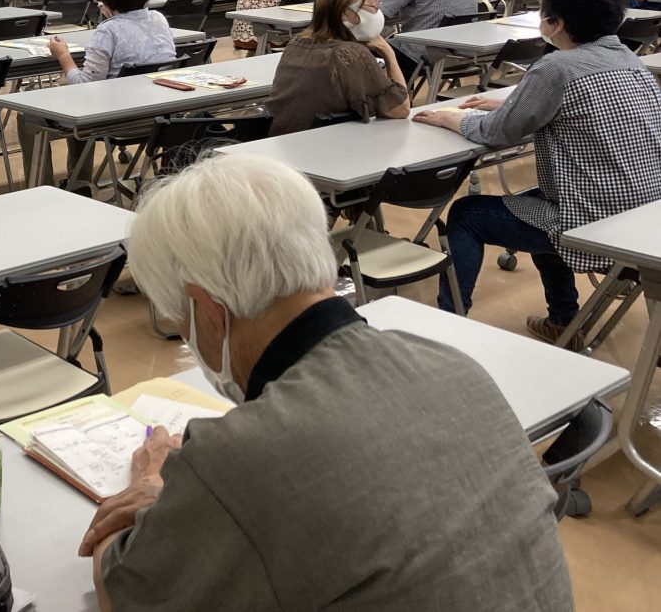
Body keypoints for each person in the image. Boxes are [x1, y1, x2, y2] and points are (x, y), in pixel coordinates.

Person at [84, 152, 573, 612]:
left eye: (180, 317)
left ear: (209, 314)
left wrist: (153, 491)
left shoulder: (240, 454)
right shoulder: (450, 362)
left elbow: (124, 591)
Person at [414, 0, 661, 346]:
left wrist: (450, 118)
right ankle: (563, 321)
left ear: (556, 22)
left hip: (593, 221)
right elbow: (567, 108)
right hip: (643, 216)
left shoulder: (556, 67)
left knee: (466, 214)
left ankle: (447, 331)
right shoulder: (629, 60)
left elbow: (497, 134)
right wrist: (515, 103)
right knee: (534, 204)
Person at [23, 0, 175, 189]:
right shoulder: (159, 20)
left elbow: (86, 85)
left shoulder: (108, 31)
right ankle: (78, 181)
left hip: (113, 120)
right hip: (157, 118)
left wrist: (63, 55)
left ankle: (45, 187)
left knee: (28, 115)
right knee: (81, 105)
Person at [268, 0, 410, 136]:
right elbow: (400, 109)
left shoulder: (296, 43)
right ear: (345, 13)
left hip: (287, 143)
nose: (378, 10)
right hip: (324, 149)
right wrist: (388, 53)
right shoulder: (349, 53)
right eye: (373, 3)